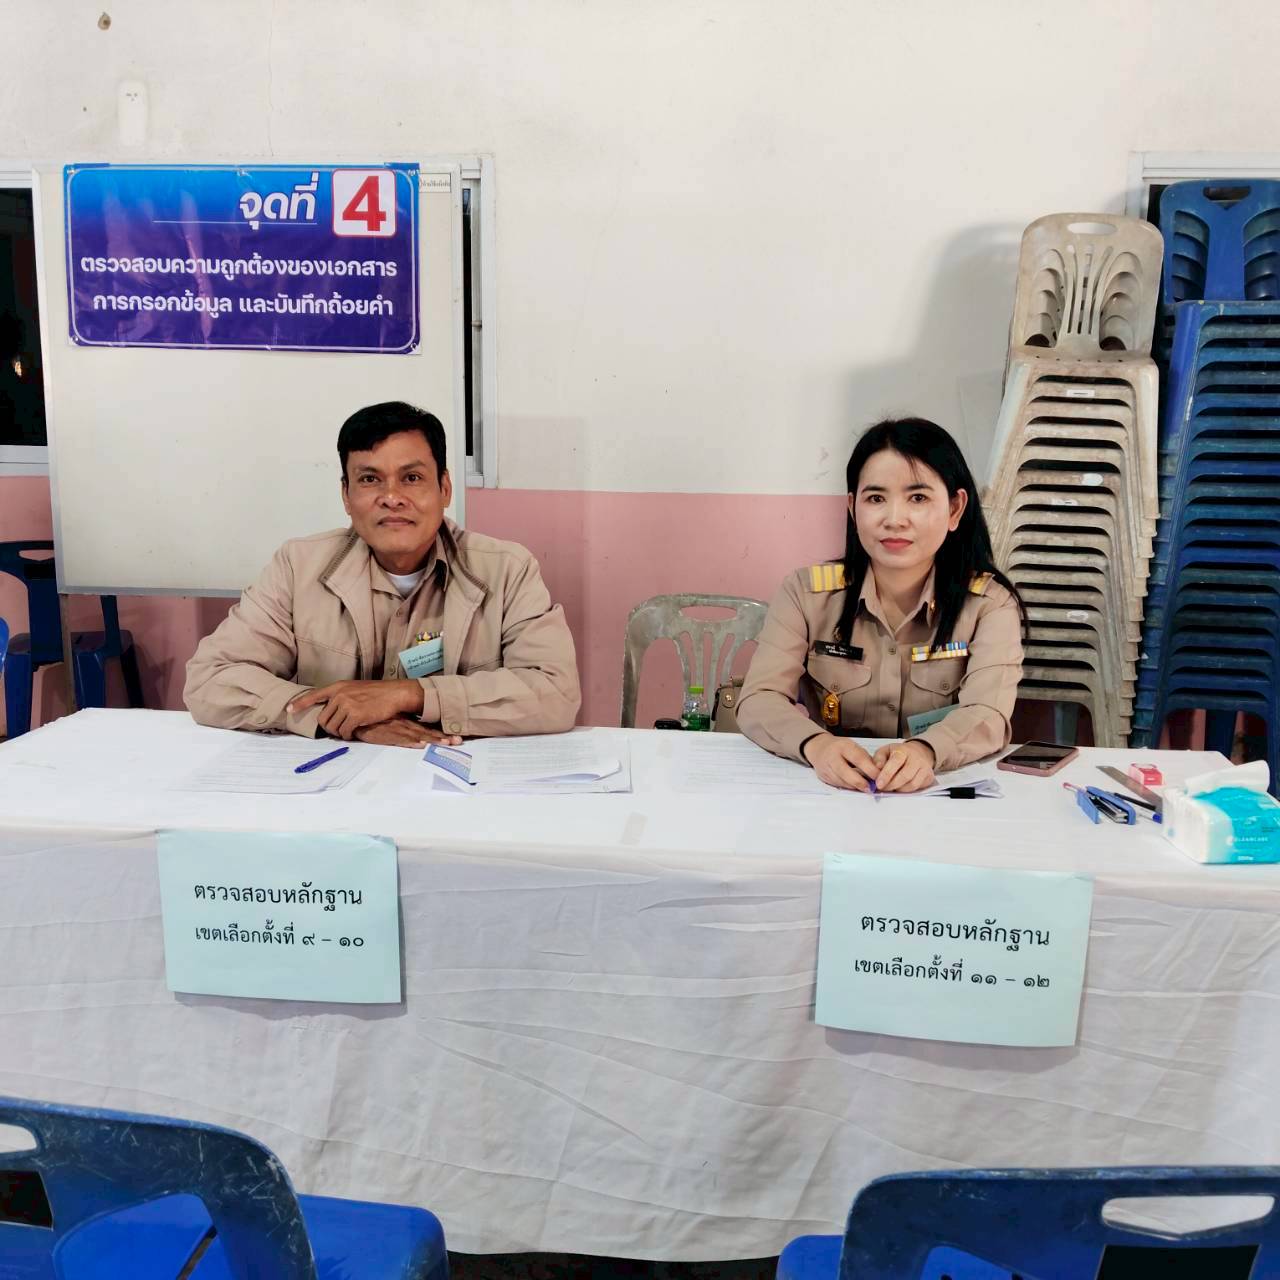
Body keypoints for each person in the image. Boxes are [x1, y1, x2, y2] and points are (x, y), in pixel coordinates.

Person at [184, 401, 581, 747]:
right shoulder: (297, 566)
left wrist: (411, 695)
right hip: (334, 787)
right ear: (346, 495)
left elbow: (556, 693)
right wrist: (340, 718)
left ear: (444, 488)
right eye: (370, 479)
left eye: (412, 478)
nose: (392, 498)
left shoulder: (507, 570)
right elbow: (211, 679)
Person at [737, 417, 1024, 792]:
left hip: (936, 791)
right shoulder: (804, 594)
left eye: (918, 498)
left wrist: (927, 750)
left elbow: (988, 713)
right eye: (876, 498)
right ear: (853, 508)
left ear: (955, 509)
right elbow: (760, 698)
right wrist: (815, 745)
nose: (894, 519)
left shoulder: (990, 605)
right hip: (833, 789)